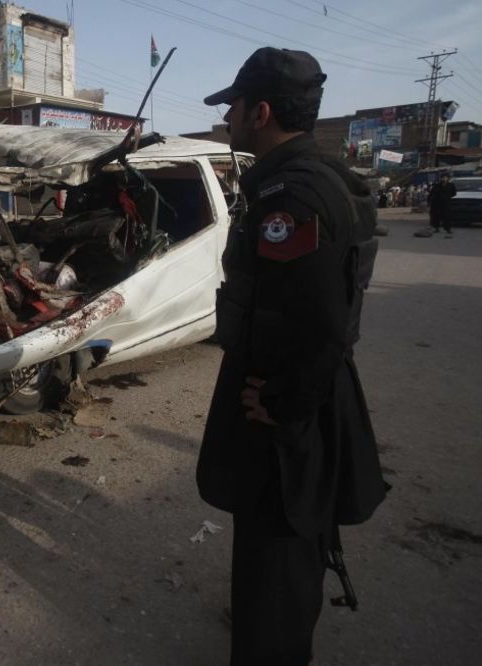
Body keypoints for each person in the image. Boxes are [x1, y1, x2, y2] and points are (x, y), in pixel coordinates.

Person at [198, 47, 387, 665]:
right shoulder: (310, 178)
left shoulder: (292, 198)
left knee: (277, 547)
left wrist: (282, 403)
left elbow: (321, 323)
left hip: (284, 405)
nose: (227, 118)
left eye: (234, 106)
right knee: (287, 544)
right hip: (299, 392)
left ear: (263, 111)